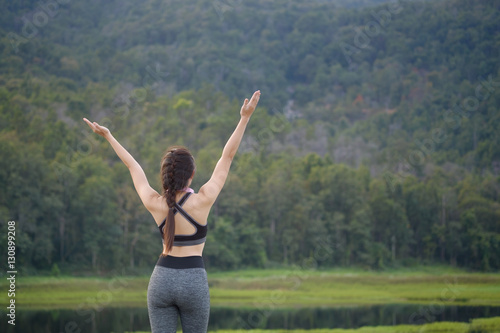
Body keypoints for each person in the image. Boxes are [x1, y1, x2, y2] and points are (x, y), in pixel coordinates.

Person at [83, 90, 261, 333]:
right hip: (193, 282)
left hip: (161, 281)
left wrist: (109, 136)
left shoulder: (155, 203)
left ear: (165, 176)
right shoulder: (203, 200)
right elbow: (227, 157)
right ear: (191, 175)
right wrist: (244, 118)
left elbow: (132, 166)